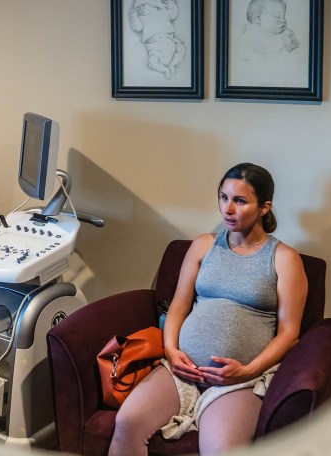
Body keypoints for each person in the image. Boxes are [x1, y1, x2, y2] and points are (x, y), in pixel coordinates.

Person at [109, 163, 308, 455]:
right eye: (224, 197)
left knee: (220, 449)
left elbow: (290, 333)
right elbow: (179, 305)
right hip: (181, 371)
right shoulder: (203, 245)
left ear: (264, 207)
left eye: (240, 201)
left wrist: (247, 370)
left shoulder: (284, 259)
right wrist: (171, 350)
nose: (228, 208)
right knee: (127, 422)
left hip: (240, 381)